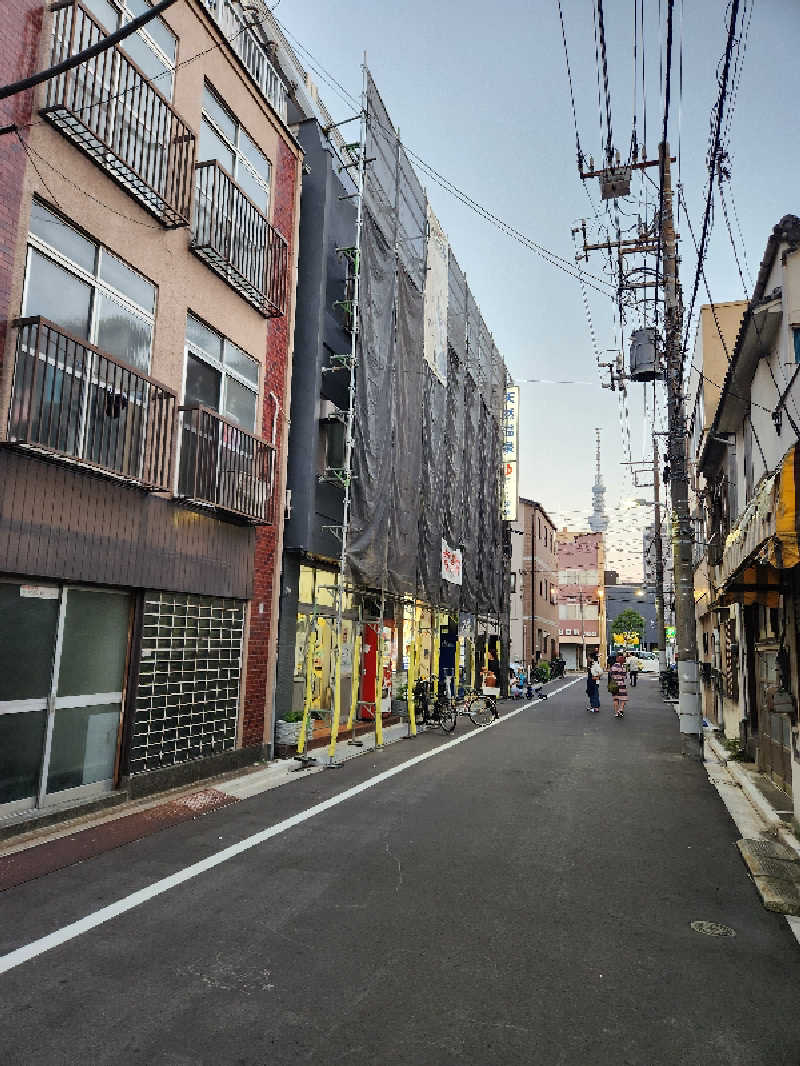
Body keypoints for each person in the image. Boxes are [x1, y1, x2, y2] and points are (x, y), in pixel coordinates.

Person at [608, 652, 629, 717]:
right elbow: (625, 677)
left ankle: (616, 713)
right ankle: (621, 709)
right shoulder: (623, 667)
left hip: (614, 684)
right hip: (622, 684)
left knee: (615, 699)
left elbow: (611, 675)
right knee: (623, 699)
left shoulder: (613, 666)